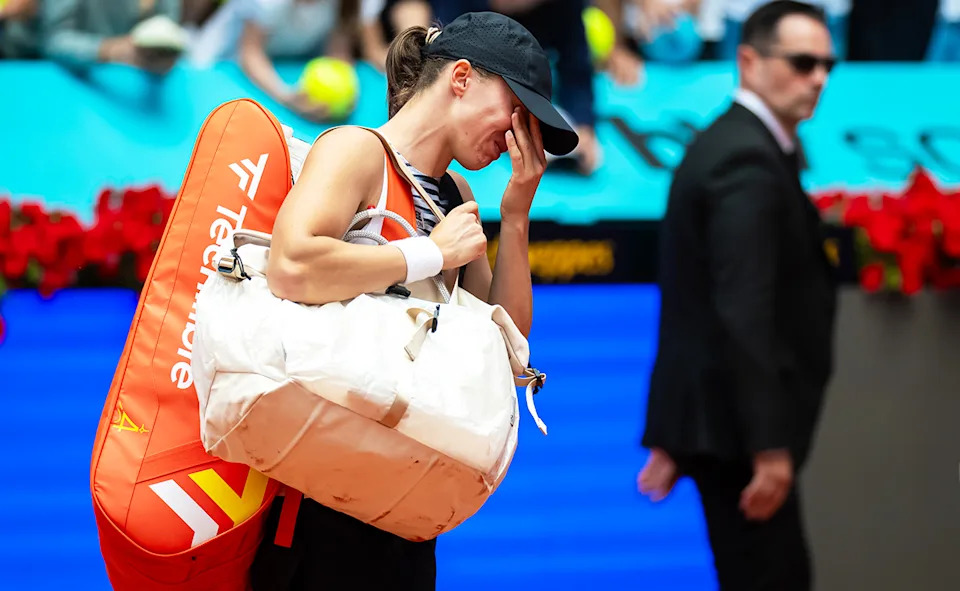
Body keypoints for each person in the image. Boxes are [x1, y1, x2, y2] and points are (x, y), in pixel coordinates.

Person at [249, 11, 578, 590]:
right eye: (516, 109)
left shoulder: (459, 195)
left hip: (402, 508)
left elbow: (506, 352)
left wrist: (518, 215)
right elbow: (292, 267)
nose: (516, 134)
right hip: (315, 505)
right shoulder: (356, 150)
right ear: (461, 78)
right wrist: (430, 255)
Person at [637, 2, 837, 589]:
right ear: (747, 61)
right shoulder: (744, 157)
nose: (819, 77)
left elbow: (694, 300)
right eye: (802, 62)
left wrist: (673, 435)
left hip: (725, 430)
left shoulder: (738, 145)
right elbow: (741, 311)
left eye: (828, 63)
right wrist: (769, 447)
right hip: (741, 442)